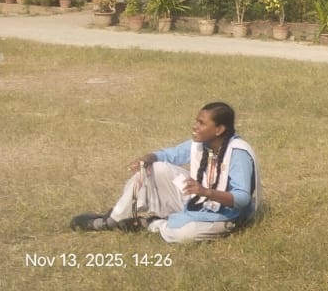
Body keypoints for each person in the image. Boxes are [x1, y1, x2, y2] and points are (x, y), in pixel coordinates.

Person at [71, 102, 260, 243]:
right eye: (196, 121)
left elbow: (242, 198)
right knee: (155, 168)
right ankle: (114, 219)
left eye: (201, 123)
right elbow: (169, 155)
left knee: (184, 234)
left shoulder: (238, 153)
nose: (195, 126)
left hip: (226, 215)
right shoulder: (200, 143)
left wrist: (205, 191)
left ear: (219, 129)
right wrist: (148, 158)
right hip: (198, 200)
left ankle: (154, 224)